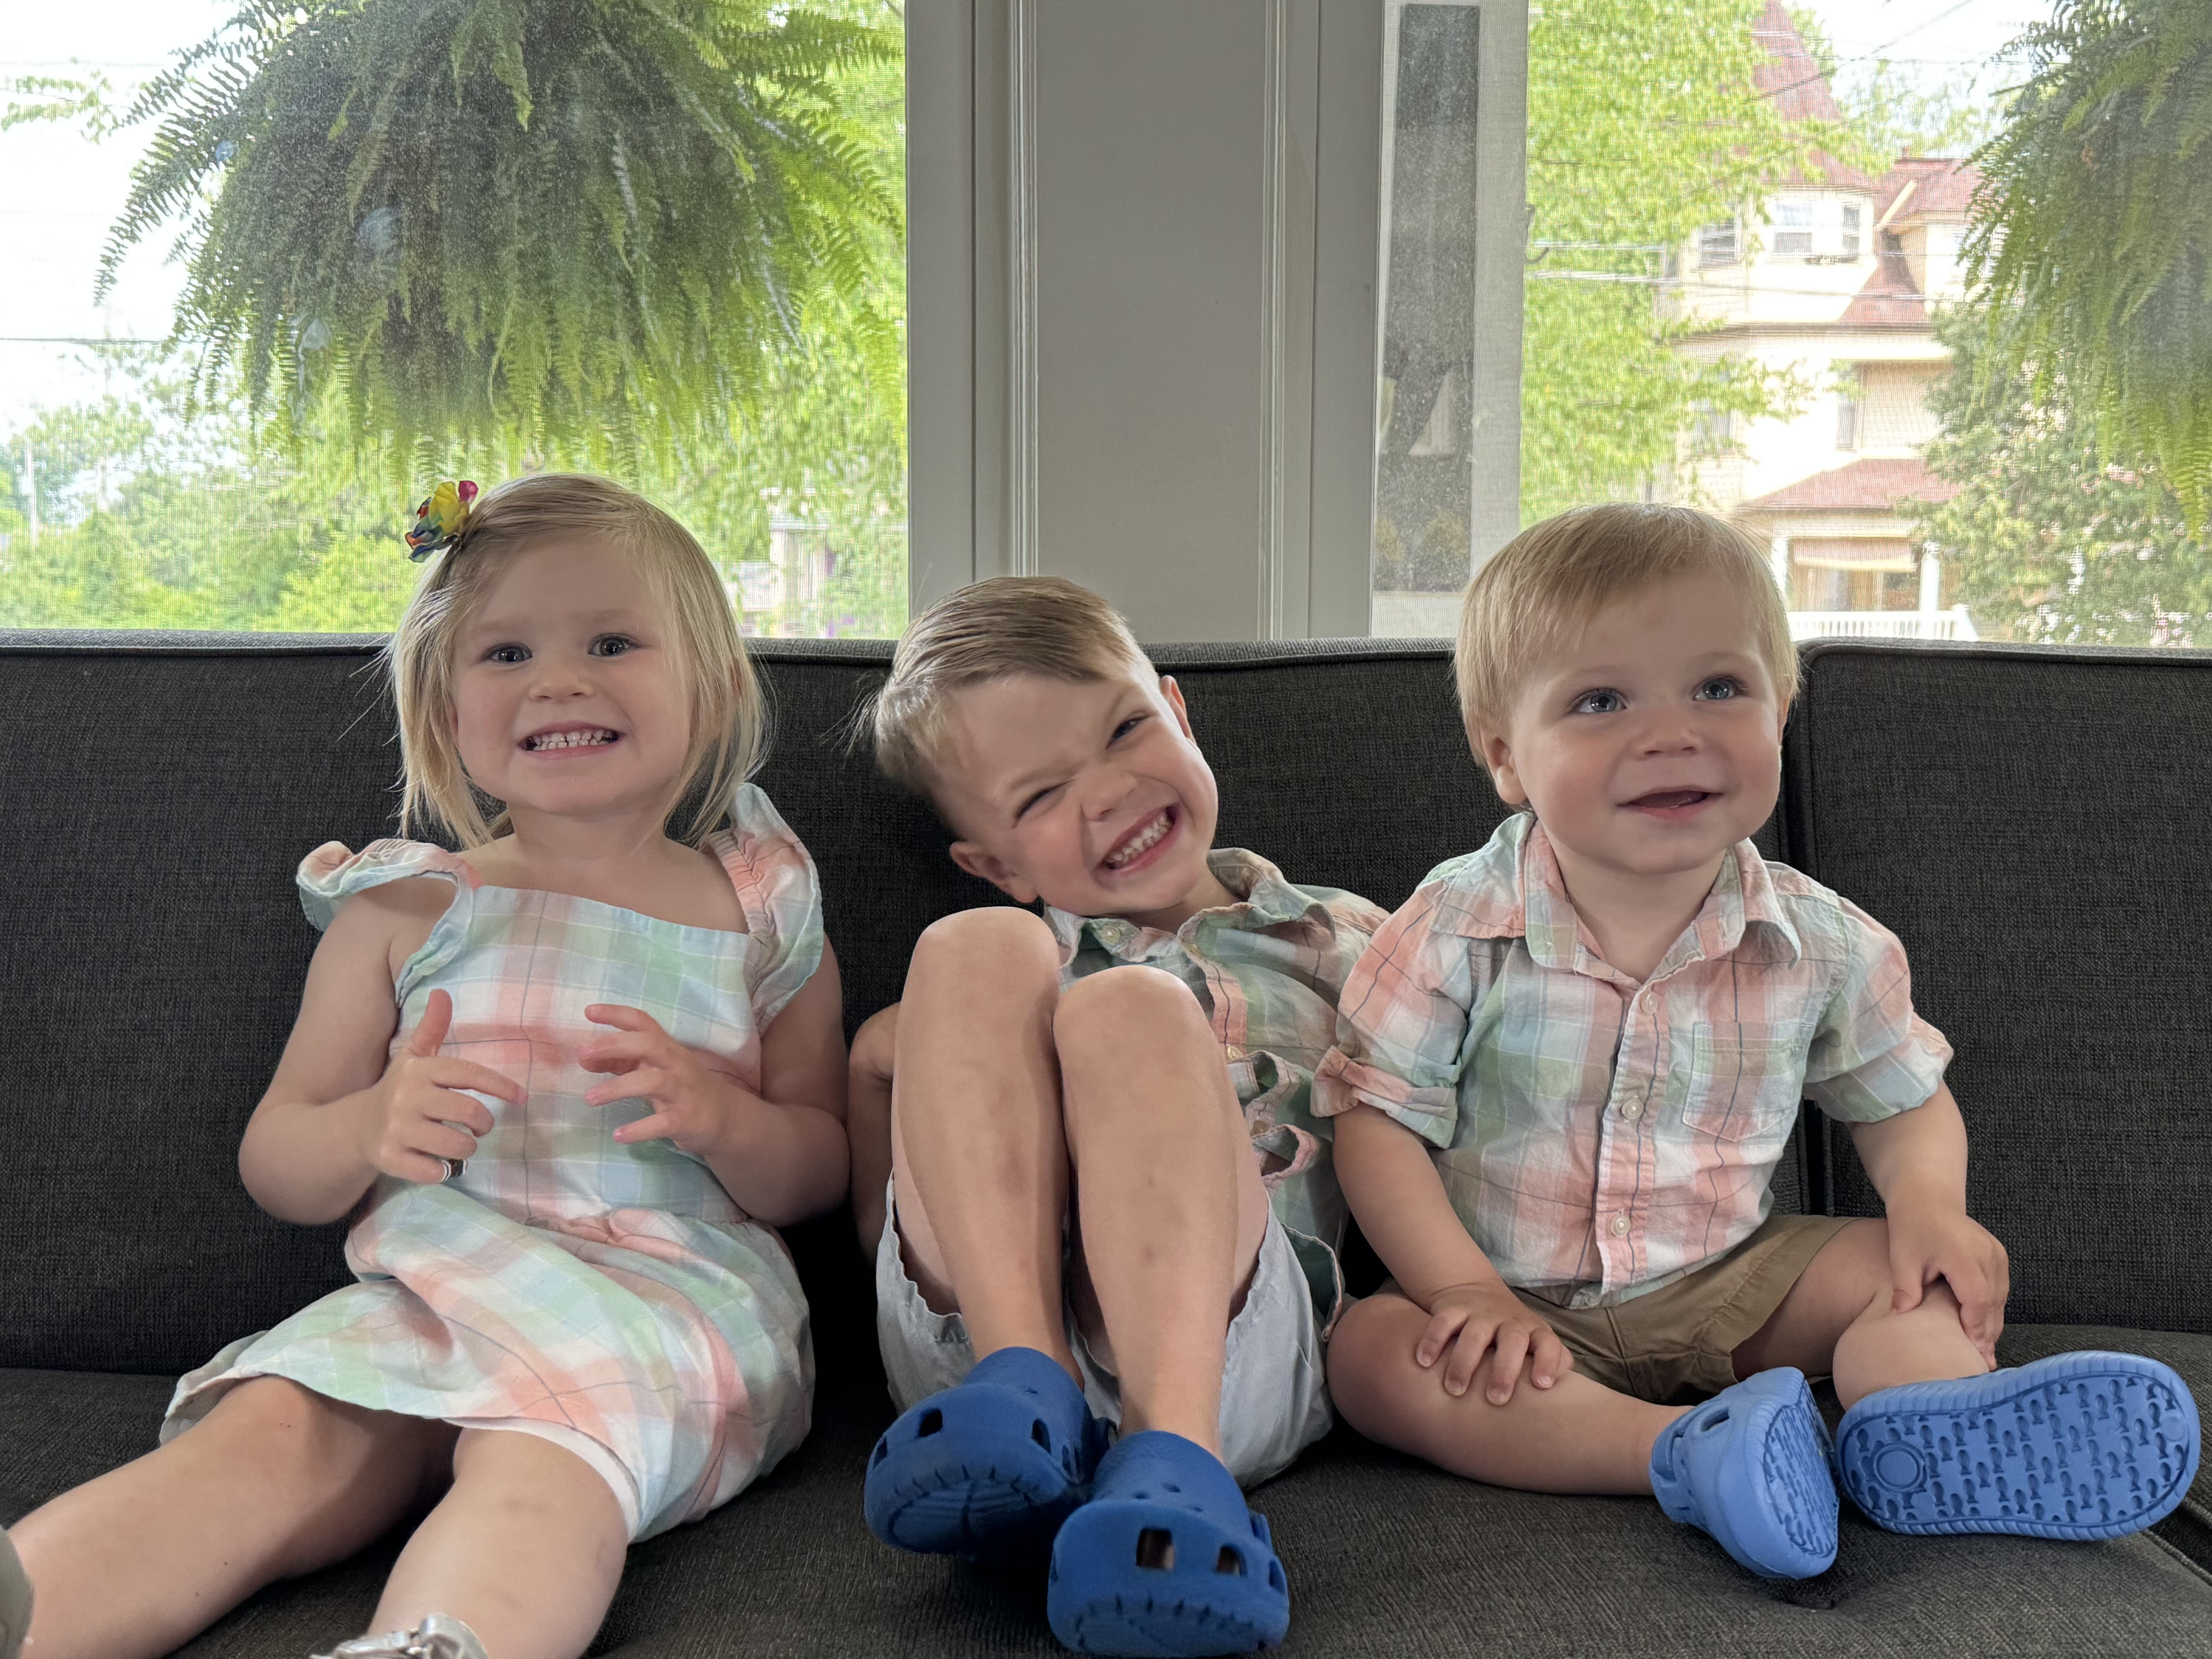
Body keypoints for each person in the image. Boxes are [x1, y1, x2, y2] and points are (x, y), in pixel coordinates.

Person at [0, 474, 848, 1659]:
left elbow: (823, 1162)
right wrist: (364, 1129)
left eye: (611, 641)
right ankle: (36, 1607)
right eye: (505, 653)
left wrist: (724, 1120)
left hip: (659, 1304)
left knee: (543, 1462)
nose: (558, 680)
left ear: (709, 690)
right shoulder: (403, 904)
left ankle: (442, 1643)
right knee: (268, 1437)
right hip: (434, 1285)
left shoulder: (760, 906)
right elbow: (278, 1154)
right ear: (446, 715)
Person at [1316, 502, 2200, 1580]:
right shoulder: (1453, 926)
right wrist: (1461, 1290)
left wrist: (1931, 1212)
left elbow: (1904, 1098)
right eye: (1601, 701)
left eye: (1719, 688)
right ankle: (1684, 1454)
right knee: (1368, 1354)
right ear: (1506, 755)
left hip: (1731, 1285)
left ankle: (1921, 1431)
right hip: (1518, 1303)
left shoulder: (1820, 940)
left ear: (1779, 710)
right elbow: (1373, 1120)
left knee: (1905, 1275)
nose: (1672, 731)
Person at [847, 577, 1384, 1656]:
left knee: (1132, 1005)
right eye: (1040, 797)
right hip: (978, 1352)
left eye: (1128, 729)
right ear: (994, 863)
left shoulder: (1349, 938)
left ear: (1180, 711)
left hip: (1229, 1354)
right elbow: (871, 1068)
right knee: (975, 948)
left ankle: (1171, 1461)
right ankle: (1026, 1382)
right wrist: (895, 1219)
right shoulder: (1005, 960)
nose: (1107, 795)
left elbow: (1425, 1116)